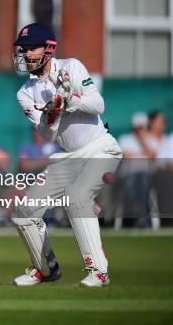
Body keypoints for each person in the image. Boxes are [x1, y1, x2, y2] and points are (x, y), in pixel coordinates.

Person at [12, 22, 122, 287]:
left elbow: (98, 104)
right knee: (23, 210)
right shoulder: (25, 93)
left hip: (100, 147)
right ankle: (45, 268)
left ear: (49, 48)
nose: (26, 54)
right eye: (23, 49)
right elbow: (48, 135)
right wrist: (53, 112)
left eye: (31, 48)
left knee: (78, 198)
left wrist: (69, 100)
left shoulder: (71, 67)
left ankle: (99, 271)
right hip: (67, 157)